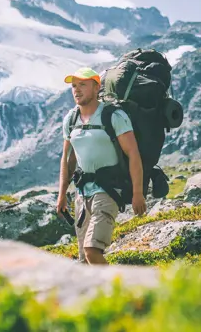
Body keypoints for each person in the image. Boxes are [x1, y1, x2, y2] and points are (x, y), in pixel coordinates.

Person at [56, 67, 146, 265]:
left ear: (97, 87)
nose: (76, 90)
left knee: (92, 251)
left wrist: (138, 193)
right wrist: (62, 194)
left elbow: (133, 154)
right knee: (84, 260)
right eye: (73, 86)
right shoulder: (70, 120)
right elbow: (67, 159)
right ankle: (102, 294)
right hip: (81, 194)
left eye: (82, 85)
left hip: (108, 190)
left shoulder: (114, 116)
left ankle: (122, 293)